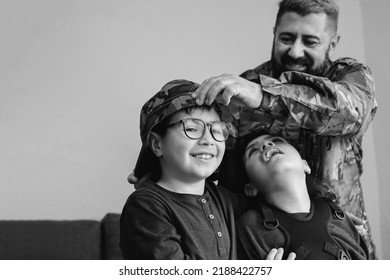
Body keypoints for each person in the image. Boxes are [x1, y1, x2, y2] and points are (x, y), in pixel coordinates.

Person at [191, 0, 378, 259]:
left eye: (310, 42)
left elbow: (354, 111)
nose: (295, 52)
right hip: (269, 246)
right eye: (286, 38)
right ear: (275, 32)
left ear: (332, 44)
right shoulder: (244, 89)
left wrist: (265, 96)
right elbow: (213, 165)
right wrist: (160, 167)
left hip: (345, 242)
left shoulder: (347, 75)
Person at [120, 79, 293, 260]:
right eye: (192, 128)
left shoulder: (223, 199)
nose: (208, 140)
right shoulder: (145, 207)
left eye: (217, 130)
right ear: (157, 144)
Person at [236, 132, 369, 260]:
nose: (266, 145)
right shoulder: (251, 227)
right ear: (250, 188)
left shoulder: (337, 215)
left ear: (305, 165)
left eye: (277, 141)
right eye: (252, 151)